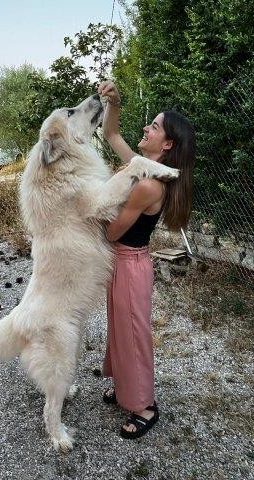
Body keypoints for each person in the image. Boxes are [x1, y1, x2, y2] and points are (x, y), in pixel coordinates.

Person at [97, 80, 195, 439]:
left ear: (167, 144)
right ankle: (126, 386)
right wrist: (115, 102)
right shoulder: (143, 167)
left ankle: (144, 406)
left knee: (134, 333)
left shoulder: (149, 184)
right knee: (120, 329)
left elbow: (111, 232)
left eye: (153, 126)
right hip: (122, 262)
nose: (146, 128)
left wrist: (87, 214)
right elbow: (111, 134)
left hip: (129, 261)